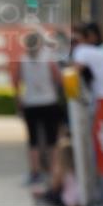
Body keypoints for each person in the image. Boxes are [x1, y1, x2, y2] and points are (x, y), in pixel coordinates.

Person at [12, 31, 63, 185]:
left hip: (30, 103)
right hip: (49, 101)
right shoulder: (49, 59)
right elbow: (58, 79)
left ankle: (35, 172)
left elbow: (16, 81)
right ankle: (53, 171)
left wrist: (18, 100)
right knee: (51, 140)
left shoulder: (22, 59)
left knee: (33, 140)